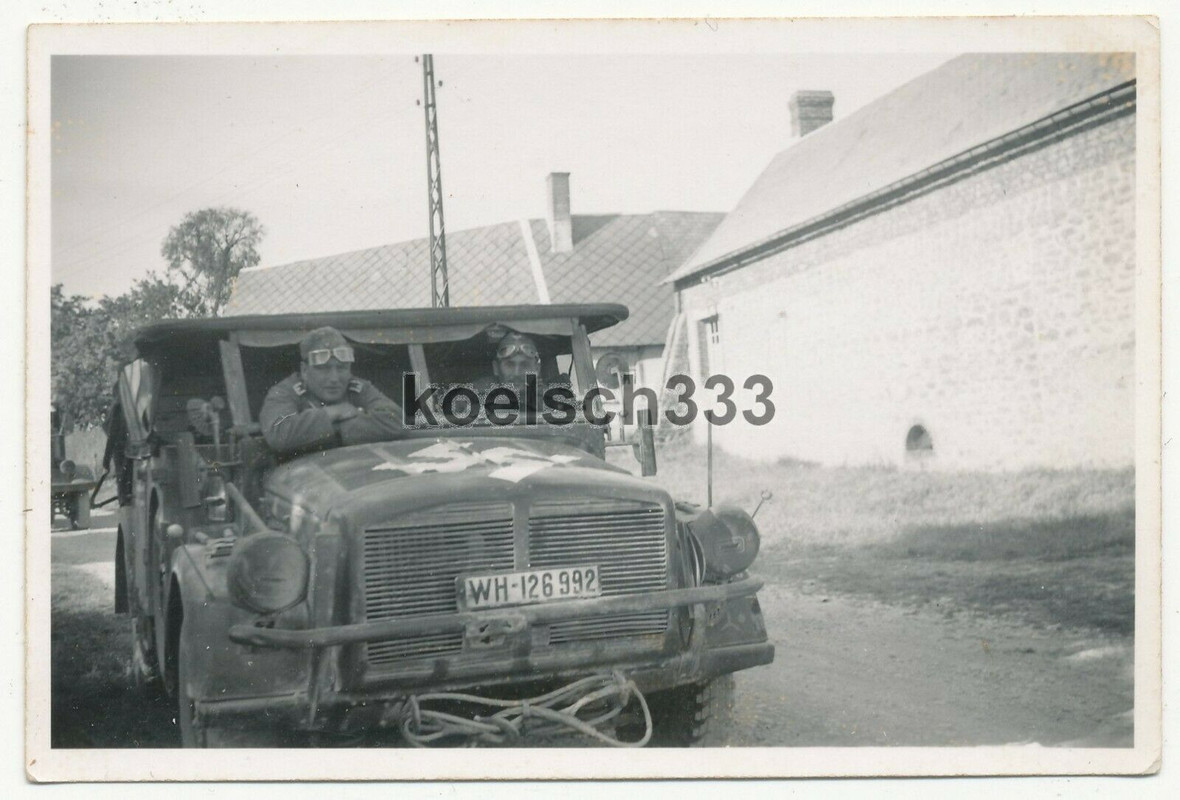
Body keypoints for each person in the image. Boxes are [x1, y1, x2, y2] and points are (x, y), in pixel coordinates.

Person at [259, 326, 404, 455]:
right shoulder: (285, 392)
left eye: (341, 368)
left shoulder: (357, 387)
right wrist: (335, 412)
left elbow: (396, 420)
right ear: (304, 370)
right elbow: (279, 433)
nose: (334, 378)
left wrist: (333, 429)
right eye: (323, 369)